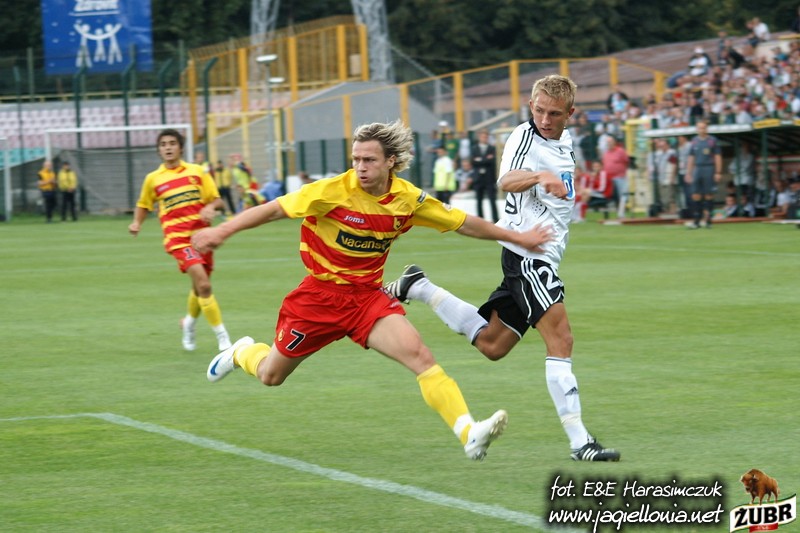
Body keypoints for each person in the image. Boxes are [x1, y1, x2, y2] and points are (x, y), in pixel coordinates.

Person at [191, 120, 556, 460]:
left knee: (421, 358)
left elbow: (463, 223)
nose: (360, 167)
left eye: (369, 160)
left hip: (367, 299)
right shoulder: (331, 191)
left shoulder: (407, 199)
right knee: (271, 375)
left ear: (390, 162)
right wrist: (222, 231)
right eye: (356, 159)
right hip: (318, 299)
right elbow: (272, 210)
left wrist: (517, 237)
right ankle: (241, 352)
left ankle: (468, 432)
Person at [385, 75, 621, 462]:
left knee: (493, 345)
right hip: (529, 257)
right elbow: (507, 180)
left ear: (570, 114)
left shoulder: (565, 141)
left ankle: (419, 286)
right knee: (561, 339)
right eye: (539, 111)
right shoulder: (524, 137)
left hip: (539, 256)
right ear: (531, 107)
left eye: (554, 113)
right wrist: (540, 176)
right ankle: (580, 442)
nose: (544, 119)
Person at [128, 129, 232, 352]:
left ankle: (189, 324)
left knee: (198, 287)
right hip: (178, 241)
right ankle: (223, 339)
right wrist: (137, 223)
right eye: (163, 144)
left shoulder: (197, 172)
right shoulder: (153, 179)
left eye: (172, 143)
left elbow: (217, 201)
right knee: (204, 285)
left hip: (202, 238)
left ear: (181, 148)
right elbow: (143, 204)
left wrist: (210, 207)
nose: (168, 147)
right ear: (159, 150)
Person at [685, 120, 722, 229]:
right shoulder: (694, 141)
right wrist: (688, 173)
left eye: (703, 127)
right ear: (697, 129)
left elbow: (717, 156)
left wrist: (718, 172)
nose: (702, 130)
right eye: (699, 128)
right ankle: (696, 220)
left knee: (708, 194)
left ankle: (708, 220)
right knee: (695, 194)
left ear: (707, 128)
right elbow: (691, 157)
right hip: (697, 168)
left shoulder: (712, 141)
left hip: (709, 167)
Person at [470, 129, 499, 221]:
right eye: (483, 137)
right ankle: (480, 220)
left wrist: (480, 160)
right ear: (479, 137)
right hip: (478, 178)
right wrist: (486, 159)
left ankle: (495, 220)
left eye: (486, 137)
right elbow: (473, 162)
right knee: (479, 200)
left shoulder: (492, 148)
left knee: (492, 200)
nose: (484, 138)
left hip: (489, 178)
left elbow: (492, 161)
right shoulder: (474, 148)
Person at [601, 136, 630, 219]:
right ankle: (616, 211)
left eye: (610, 142)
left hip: (620, 177)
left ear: (614, 142)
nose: (609, 144)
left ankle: (621, 213)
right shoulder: (606, 153)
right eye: (608, 142)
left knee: (623, 195)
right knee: (613, 196)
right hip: (609, 179)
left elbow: (626, 161)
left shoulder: (620, 151)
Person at [647, 138, 678, 215]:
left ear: (668, 145)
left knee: (670, 196)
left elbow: (674, 165)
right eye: (661, 146)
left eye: (663, 145)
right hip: (661, 178)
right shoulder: (659, 154)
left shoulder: (672, 153)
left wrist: (672, 176)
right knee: (663, 197)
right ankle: (666, 211)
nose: (662, 147)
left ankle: (673, 211)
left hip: (669, 177)